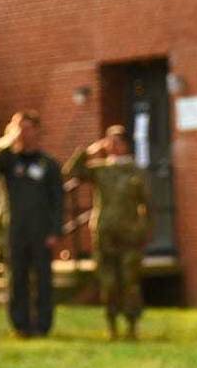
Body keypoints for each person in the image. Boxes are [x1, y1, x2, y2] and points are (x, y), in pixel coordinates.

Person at [0, 111, 63, 338]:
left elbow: (58, 200)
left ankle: (42, 325)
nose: (23, 133)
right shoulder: (7, 161)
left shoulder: (48, 165)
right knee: (16, 278)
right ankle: (20, 325)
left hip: (40, 231)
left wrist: (55, 231)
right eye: (19, 127)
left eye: (28, 128)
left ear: (37, 130)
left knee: (42, 280)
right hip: (13, 230)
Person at [65, 125, 152, 340]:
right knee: (108, 282)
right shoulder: (100, 169)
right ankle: (112, 326)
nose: (112, 146)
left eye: (116, 142)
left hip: (129, 235)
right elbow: (71, 171)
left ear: (125, 145)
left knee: (129, 281)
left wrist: (144, 230)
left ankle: (132, 326)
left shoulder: (136, 171)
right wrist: (88, 152)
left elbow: (148, 204)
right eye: (108, 141)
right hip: (104, 235)